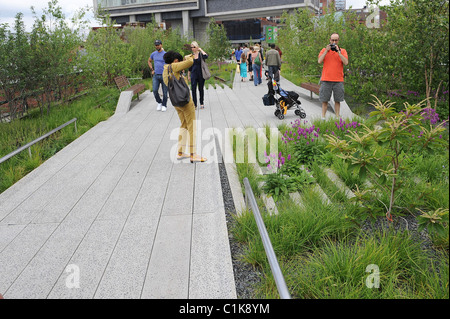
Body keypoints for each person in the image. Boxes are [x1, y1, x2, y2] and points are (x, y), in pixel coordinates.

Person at [163, 51, 207, 163]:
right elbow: (190, 62)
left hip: (176, 102)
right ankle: (193, 154)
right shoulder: (174, 66)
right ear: (176, 60)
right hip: (185, 102)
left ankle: (180, 152)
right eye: (179, 60)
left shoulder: (165, 69)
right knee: (191, 127)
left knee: (184, 126)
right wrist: (189, 56)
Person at [318, 33, 348, 119]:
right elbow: (319, 61)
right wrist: (326, 51)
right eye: (332, 40)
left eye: (336, 40)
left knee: (337, 100)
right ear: (330, 40)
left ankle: (337, 117)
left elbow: (346, 62)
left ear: (338, 41)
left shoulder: (343, 51)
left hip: (338, 80)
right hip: (326, 79)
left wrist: (339, 52)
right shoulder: (324, 50)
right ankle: (323, 117)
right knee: (324, 100)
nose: (334, 42)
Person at [148, 39, 168, 112]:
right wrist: (152, 69)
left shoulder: (165, 54)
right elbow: (149, 61)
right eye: (156, 45)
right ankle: (159, 102)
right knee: (155, 90)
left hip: (164, 75)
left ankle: (164, 105)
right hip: (156, 75)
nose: (157, 46)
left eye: (158, 45)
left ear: (161, 45)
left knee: (165, 92)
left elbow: (169, 64)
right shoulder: (153, 54)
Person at [188, 41, 208, 109]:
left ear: (197, 47)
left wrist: (201, 50)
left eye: (194, 47)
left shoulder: (200, 55)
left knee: (200, 89)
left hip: (201, 74)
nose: (192, 48)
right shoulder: (191, 56)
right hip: (193, 74)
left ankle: (201, 103)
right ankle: (195, 104)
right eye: (191, 47)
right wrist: (188, 75)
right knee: (193, 89)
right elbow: (189, 66)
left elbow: (206, 56)